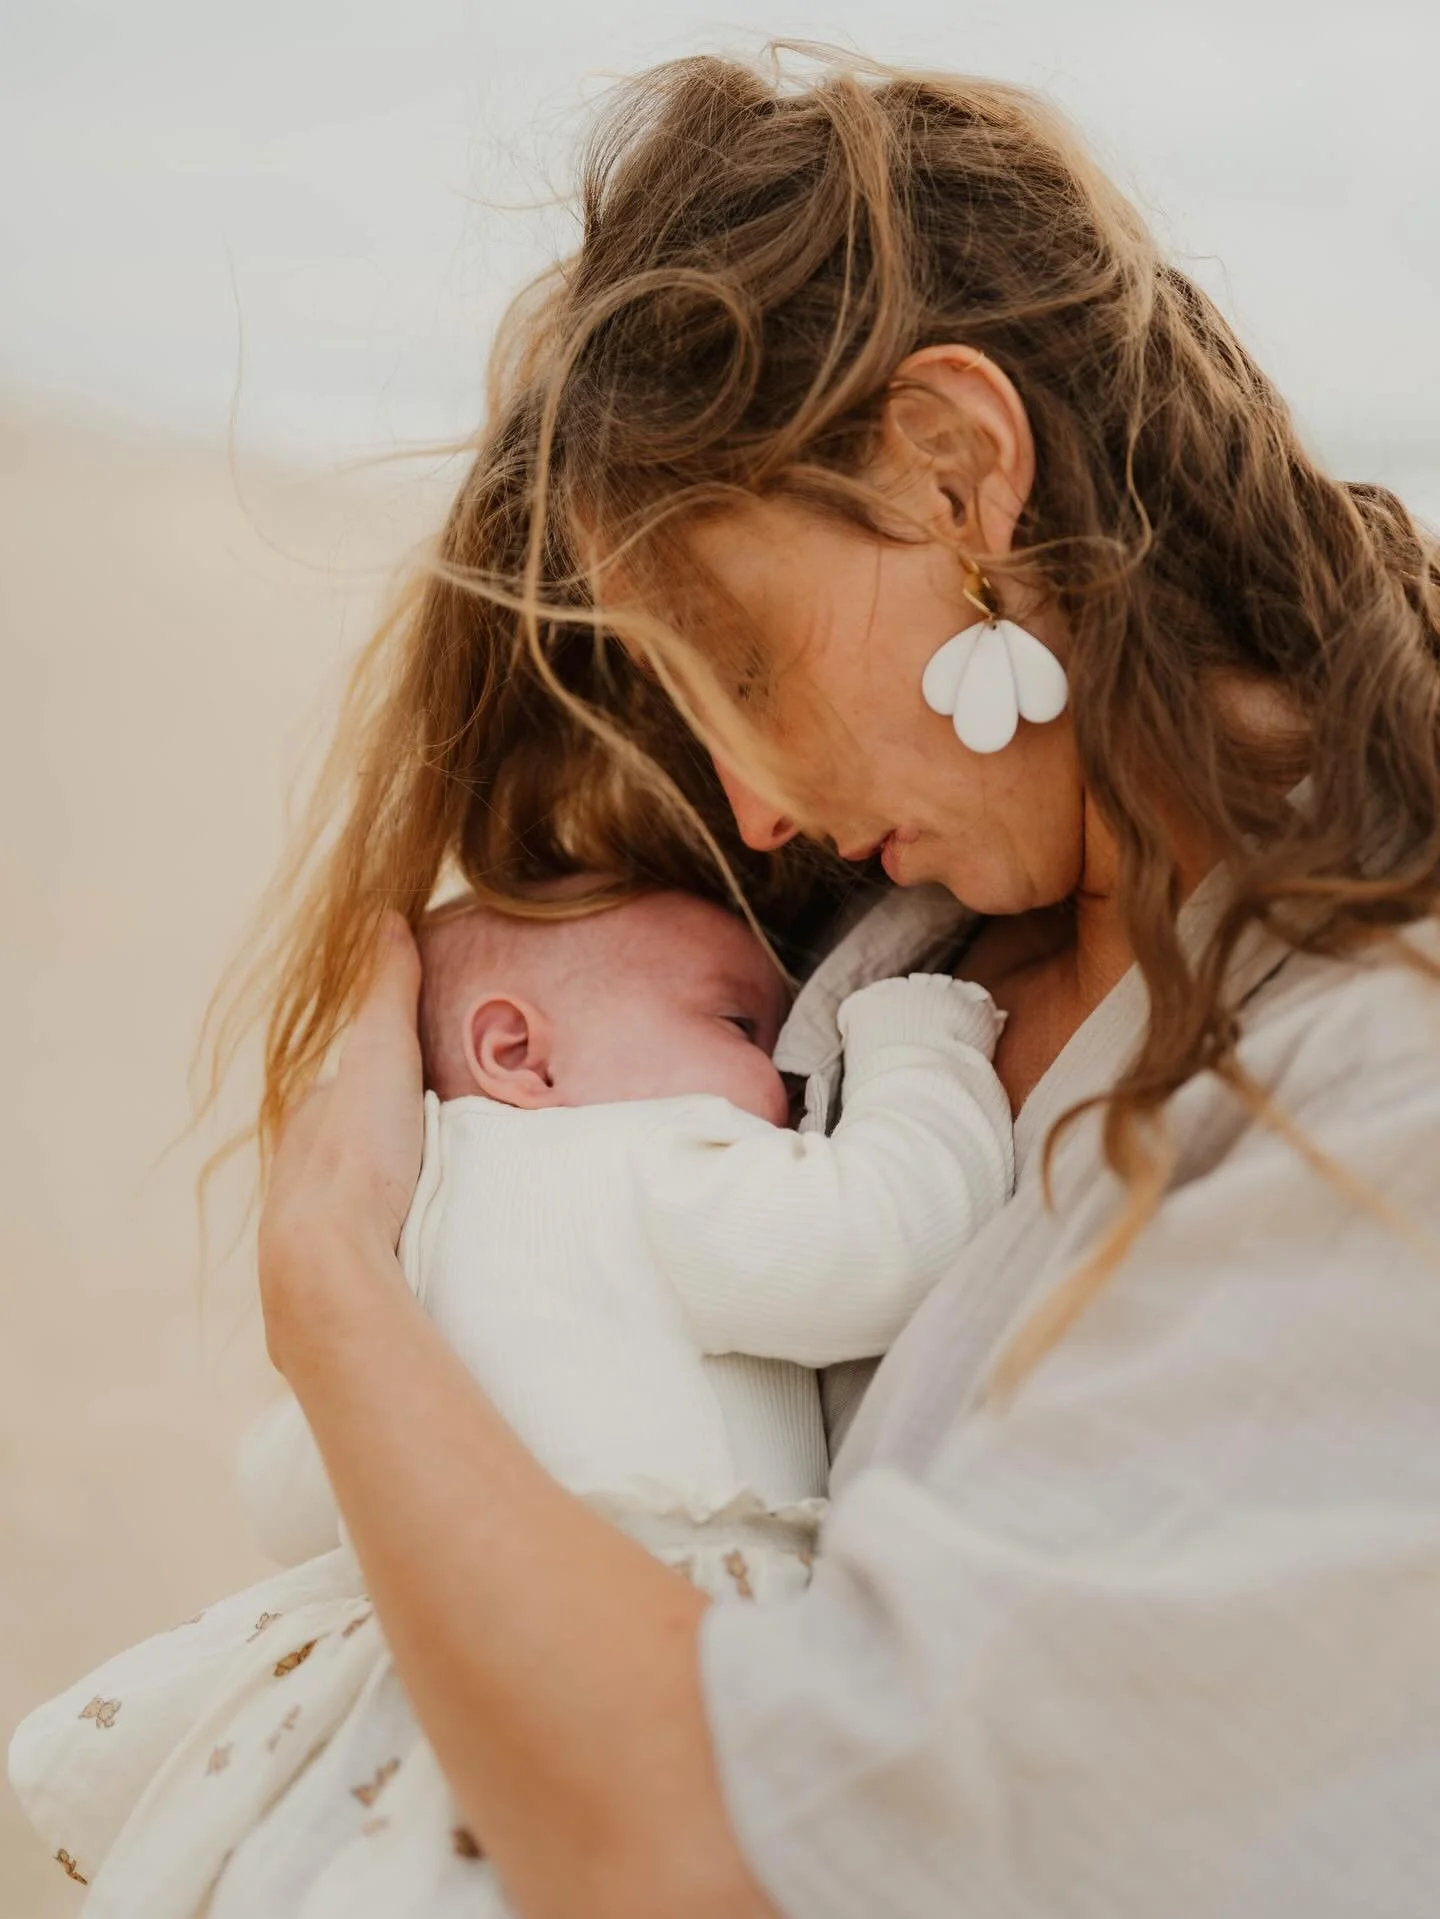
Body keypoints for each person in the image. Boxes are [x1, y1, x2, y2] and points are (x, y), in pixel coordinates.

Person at [50, 42, 1440, 1918]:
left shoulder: (1378, 1084)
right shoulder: (910, 939)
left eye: (741, 663)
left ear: (958, 475)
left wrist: (332, 1284)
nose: (758, 800)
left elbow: (737, 1860)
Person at [8, 884, 1011, 1916]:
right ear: (519, 1053)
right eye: (739, 1023)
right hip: (641, 1645)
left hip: (426, 1681)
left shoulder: (408, 1240)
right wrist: (913, 1032)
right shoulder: (641, 1159)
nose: (790, 1077)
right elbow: (887, 1235)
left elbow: (290, 1486)